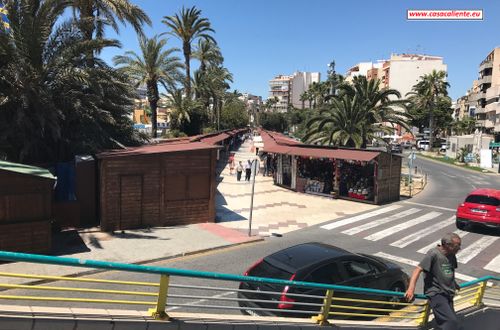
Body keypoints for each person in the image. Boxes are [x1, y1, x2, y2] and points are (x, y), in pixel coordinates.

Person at [405, 233, 462, 330]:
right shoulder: (433, 254)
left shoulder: (452, 255)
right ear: (447, 245)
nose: (459, 248)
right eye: (457, 246)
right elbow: (417, 270)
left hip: (448, 292)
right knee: (451, 322)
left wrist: (454, 284)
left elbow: (450, 271)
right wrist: (411, 289)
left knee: (447, 321)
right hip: (437, 293)